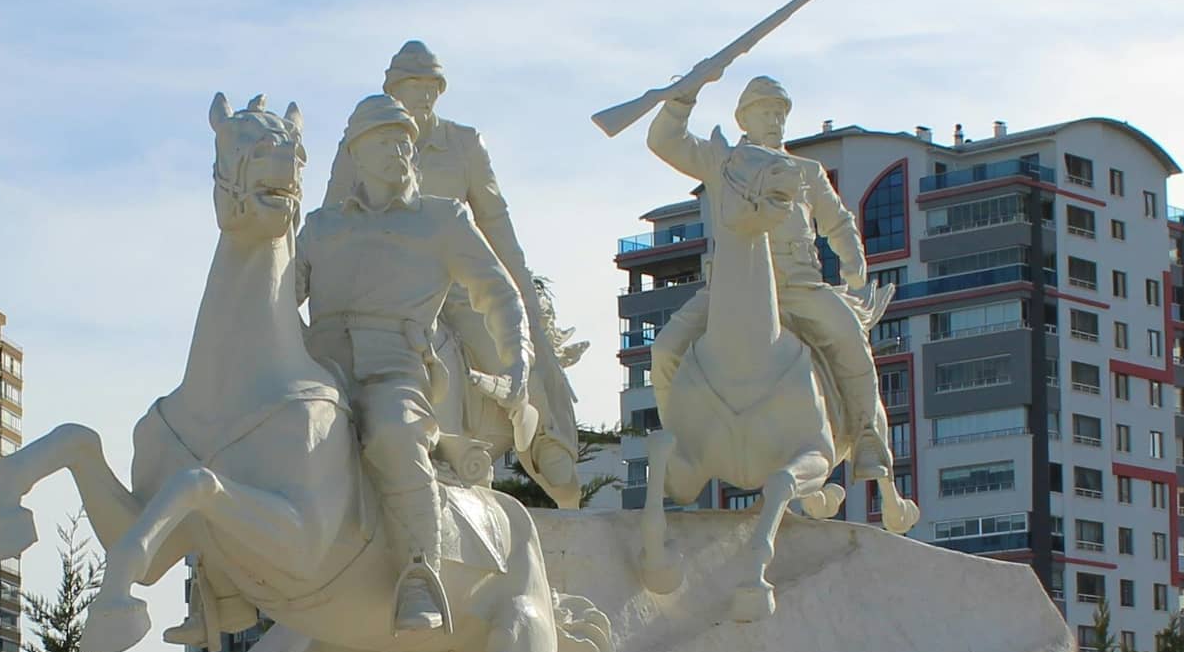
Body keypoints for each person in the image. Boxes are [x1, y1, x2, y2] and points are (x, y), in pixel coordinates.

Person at [296, 94, 530, 635]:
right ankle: (226, 586)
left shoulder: (442, 220)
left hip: (392, 373)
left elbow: (501, 295)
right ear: (356, 151)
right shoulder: (319, 227)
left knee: (395, 439)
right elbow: (279, 301)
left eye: (404, 137)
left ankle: (420, 577)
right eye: (383, 138)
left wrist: (518, 361)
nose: (399, 146)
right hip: (315, 372)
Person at [638, 70, 907, 520]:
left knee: (850, 341)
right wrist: (681, 100)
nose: (775, 120)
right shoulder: (721, 161)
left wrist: (852, 259)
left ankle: (865, 440)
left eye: (780, 113)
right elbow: (665, 140)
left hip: (798, 286)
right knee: (665, 348)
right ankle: (686, 434)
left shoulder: (805, 171)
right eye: (765, 111)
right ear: (743, 117)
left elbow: (836, 220)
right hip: (729, 284)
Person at [379, 41, 583, 503]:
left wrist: (520, 284)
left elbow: (494, 219)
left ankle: (547, 439)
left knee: (505, 350)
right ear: (394, 91)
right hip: (387, 289)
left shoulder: (464, 144)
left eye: (431, 86)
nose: (424, 96)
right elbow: (338, 214)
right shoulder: (365, 145)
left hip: (456, 284)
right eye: (414, 86)